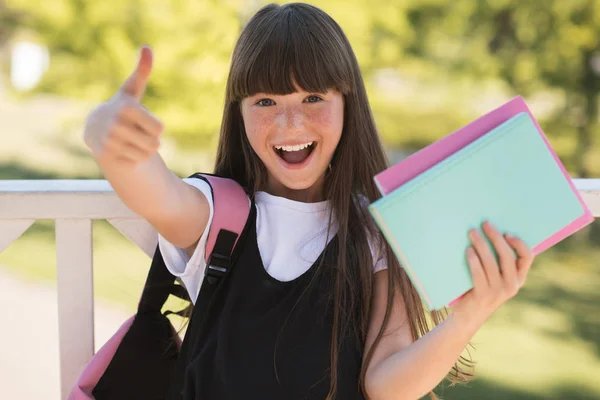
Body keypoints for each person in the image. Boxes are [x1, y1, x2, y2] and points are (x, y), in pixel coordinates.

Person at [82, 2, 535, 399]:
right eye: (265, 102)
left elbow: (386, 386)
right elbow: (154, 190)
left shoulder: (375, 230)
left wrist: (467, 317)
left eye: (313, 97)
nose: (290, 123)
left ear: (347, 104)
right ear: (238, 113)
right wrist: (105, 136)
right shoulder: (221, 214)